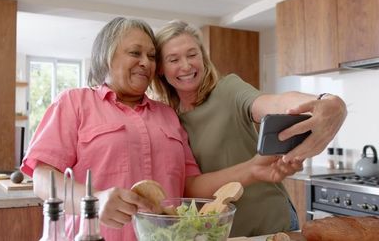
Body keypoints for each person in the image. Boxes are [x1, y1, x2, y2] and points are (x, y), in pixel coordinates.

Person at [20, 17, 304, 240]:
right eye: (135, 53)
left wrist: (254, 169)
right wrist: (91, 200)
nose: (146, 62)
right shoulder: (74, 102)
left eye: (152, 55)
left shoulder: (168, 116)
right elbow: (44, 179)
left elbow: (191, 186)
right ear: (106, 56)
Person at [152, 20, 348, 237]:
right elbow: (189, 187)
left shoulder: (228, 90)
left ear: (203, 57)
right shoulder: (168, 118)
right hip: (221, 232)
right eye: (174, 59)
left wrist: (325, 101)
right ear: (160, 69)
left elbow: (273, 103)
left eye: (192, 55)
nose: (187, 66)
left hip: (270, 224)